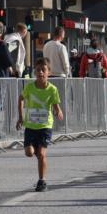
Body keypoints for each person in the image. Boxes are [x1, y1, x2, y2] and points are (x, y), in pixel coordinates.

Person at [17, 57, 64, 192]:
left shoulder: (52, 89)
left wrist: (58, 111)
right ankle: (38, 154)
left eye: (43, 70)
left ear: (49, 72)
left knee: (42, 154)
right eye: (38, 70)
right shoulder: (30, 87)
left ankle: (42, 181)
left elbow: (55, 104)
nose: (40, 73)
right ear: (35, 72)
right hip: (31, 126)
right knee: (29, 153)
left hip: (45, 126)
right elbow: (21, 99)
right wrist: (20, 117)